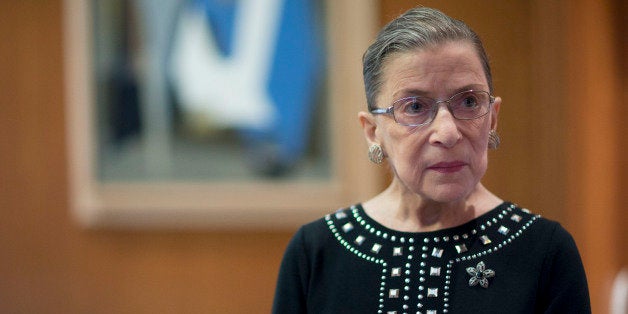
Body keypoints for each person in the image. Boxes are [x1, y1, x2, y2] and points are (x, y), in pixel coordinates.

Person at [272, 6, 590, 314]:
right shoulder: (316, 252)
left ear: (492, 118)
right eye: (414, 106)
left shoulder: (545, 252)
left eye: (468, 101)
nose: (447, 132)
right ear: (373, 131)